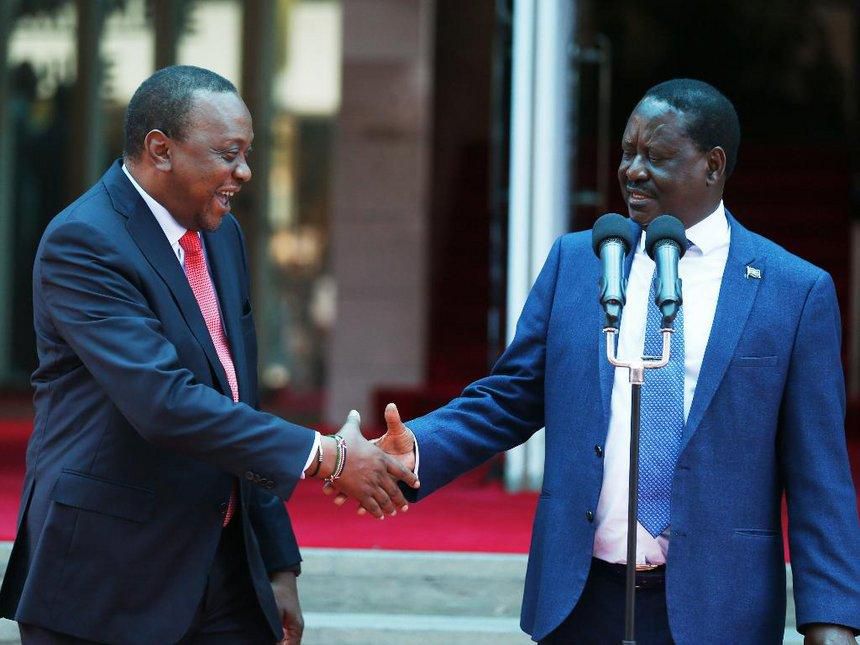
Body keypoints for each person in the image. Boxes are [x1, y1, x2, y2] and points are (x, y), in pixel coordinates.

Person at [361, 79, 860, 643]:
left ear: (713, 167)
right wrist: (419, 446)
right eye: (627, 153)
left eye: (657, 156)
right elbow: (511, 397)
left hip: (720, 608)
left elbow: (821, 475)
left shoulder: (792, 291)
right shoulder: (580, 262)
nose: (633, 171)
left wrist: (832, 620)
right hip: (581, 600)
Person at [0, 65, 417, 645]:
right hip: (107, 577)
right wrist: (328, 456)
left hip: (222, 574)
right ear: (160, 150)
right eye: (228, 154)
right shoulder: (85, 241)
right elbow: (164, 402)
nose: (243, 172)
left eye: (246, 154)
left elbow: (237, 398)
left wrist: (277, 564)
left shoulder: (222, 234)